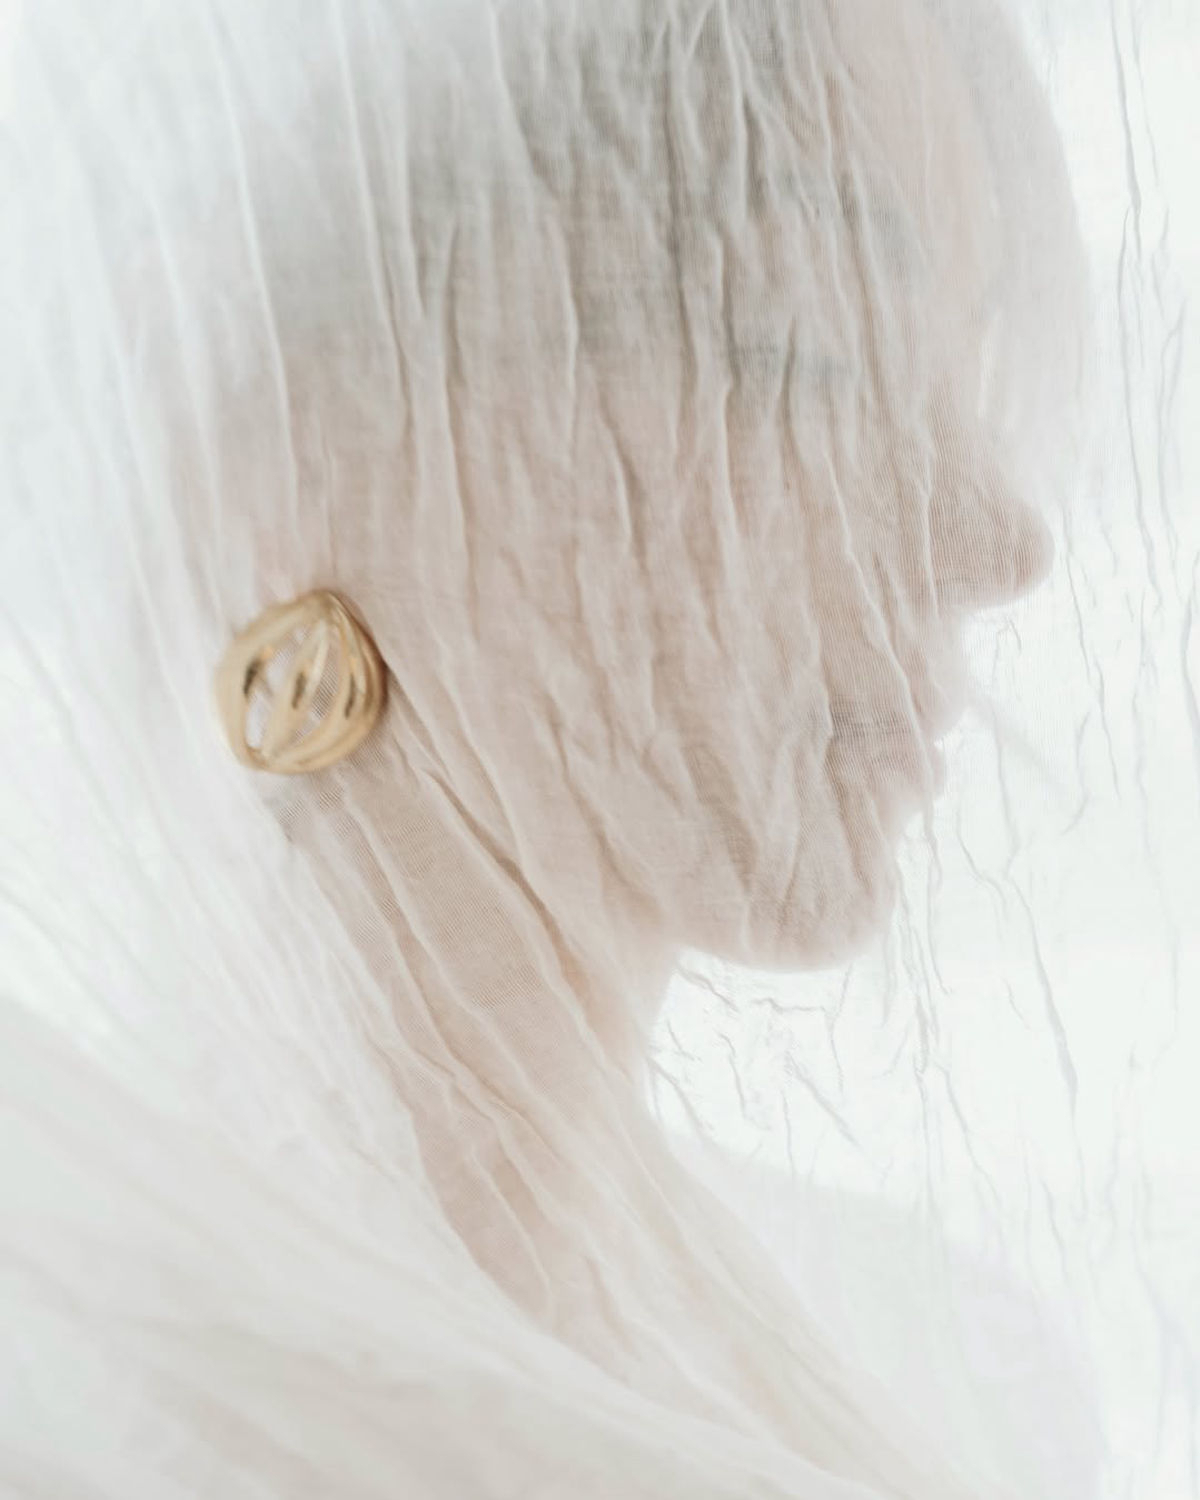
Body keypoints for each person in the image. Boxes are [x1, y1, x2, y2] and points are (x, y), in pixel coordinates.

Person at [0, 0, 1088, 1494]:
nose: (1003, 539)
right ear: (276, 424)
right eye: (800, 348)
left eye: (973, 362)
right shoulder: (88, 1414)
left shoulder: (948, 1367)